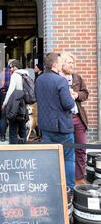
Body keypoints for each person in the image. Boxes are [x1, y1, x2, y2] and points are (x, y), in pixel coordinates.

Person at [35, 52, 75, 191]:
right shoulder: (60, 80)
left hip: (45, 126)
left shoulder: (39, 79)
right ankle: (68, 189)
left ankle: (51, 188)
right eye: (59, 62)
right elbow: (68, 104)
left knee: (50, 159)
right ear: (54, 65)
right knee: (68, 158)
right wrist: (72, 98)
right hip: (61, 126)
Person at [60, 52, 89, 185]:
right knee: (66, 151)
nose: (72, 65)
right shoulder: (57, 78)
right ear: (62, 63)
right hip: (64, 119)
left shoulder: (77, 78)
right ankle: (65, 179)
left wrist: (77, 95)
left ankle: (79, 179)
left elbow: (85, 94)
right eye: (69, 62)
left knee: (81, 149)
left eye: (73, 63)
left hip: (78, 118)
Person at [2, 60, 30, 144]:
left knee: (13, 127)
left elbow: (10, 91)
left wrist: (4, 103)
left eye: (11, 67)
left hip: (16, 103)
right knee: (22, 126)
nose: (10, 69)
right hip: (24, 103)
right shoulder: (26, 74)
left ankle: (14, 148)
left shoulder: (15, 75)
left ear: (15, 67)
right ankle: (24, 146)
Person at [0, 59, 15, 141]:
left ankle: (2, 136)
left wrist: (2, 93)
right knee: (13, 116)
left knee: (3, 117)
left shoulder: (1, 74)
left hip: (4, 96)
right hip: (14, 97)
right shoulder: (16, 74)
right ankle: (12, 137)